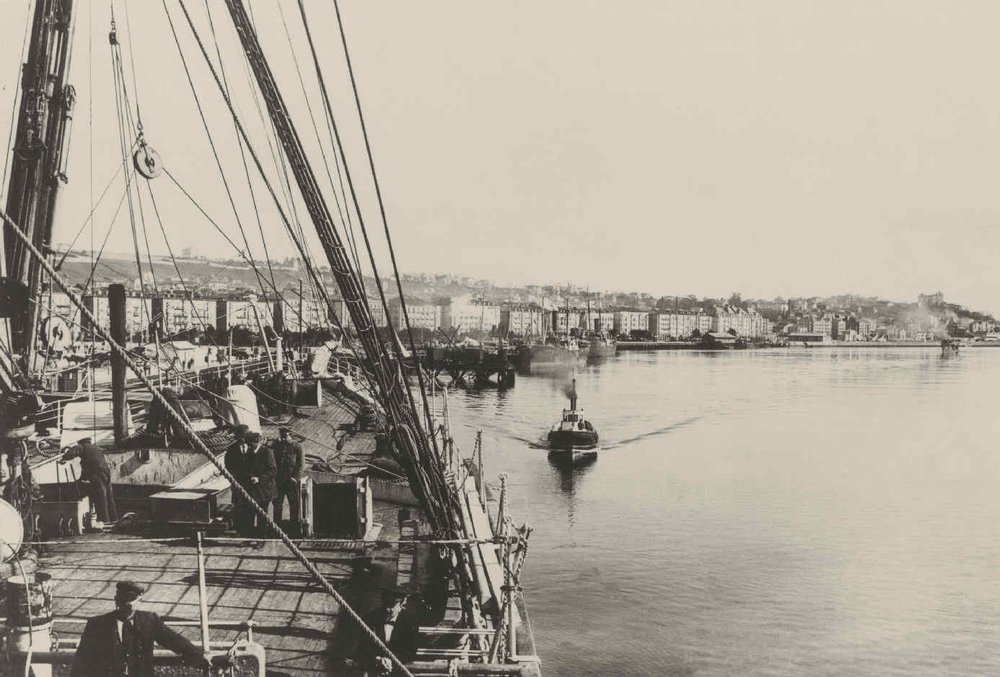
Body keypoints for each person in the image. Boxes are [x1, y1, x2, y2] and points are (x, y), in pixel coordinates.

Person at [71, 580, 213, 676]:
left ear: (140, 601)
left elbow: (173, 640)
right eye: (121, 601)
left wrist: (199, 654)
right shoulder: (97, 625)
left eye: (131, 601)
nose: (126, 605)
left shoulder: (149, 621)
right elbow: (81, 662)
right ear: (115, 600)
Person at [60, 437, 117, 524]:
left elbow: (71, 453)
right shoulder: (96, 448)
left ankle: (104, 522)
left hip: (97, 474)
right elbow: (88, 467)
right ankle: (114, 519)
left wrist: (63, 458)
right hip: (106, 473)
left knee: (100, 498)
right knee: (109, 497)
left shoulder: (81, 447)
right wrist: (81, 479)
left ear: (81, 442)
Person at [361, 589, 418, 676]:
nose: (387, 609)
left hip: (398, 669)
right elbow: (364, 646)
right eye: (386, 604)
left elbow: (409, 651)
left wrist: (391, 661)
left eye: (392, 606)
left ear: (402, 605)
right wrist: (378, 659)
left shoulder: (409, 623)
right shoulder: (370, 618)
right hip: (374, 667)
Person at [243, 430, 276, 540]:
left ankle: (262, 538)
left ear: (255, 442)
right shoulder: (249, 452)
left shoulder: (267, 452)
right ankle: (250, 537)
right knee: (249, 514)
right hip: (252, 490)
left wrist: (259, 479)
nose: (248, 446)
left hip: (263, 490)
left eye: (250, 444)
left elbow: (273, 471)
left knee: (262, 515)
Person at [272, 426, 304, 533]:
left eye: (286, 435)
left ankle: (294, 529)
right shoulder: (277, 446)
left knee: (294, 505)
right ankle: (276, 528)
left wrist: (295, 478)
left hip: (291, 482)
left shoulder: (297, 447)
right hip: (279, 481)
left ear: (290, 434)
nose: (284, 438)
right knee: (277, 504)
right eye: (282, 435)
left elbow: (300, 465)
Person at [224, 424, 253, 538]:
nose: (243, 438)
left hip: (250, 482)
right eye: (241, 436)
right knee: (238, 505)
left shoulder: (252, 447)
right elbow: (228, 465)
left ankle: (249, 529)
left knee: (250, 506)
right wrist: (234, 478)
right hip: (237, 481)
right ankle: (239, 529)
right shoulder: (231, 449)